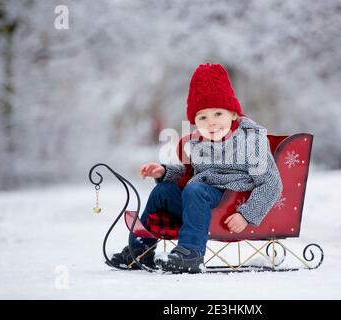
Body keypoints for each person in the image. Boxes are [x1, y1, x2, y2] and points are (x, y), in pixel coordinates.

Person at [110, 63, 283, 273]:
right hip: (199, 201)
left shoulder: (251, 140)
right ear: (195, 121)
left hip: (231, 202)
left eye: (218, 114)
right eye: (203, 117)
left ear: (234, 114)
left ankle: (191, 253)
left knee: (195, 190)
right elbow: (190, 175)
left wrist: (246, 215)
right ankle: (141, 250)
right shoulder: (199, 143)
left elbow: (271, 183)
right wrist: (164, 172)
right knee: (162, 191)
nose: (211, 123)